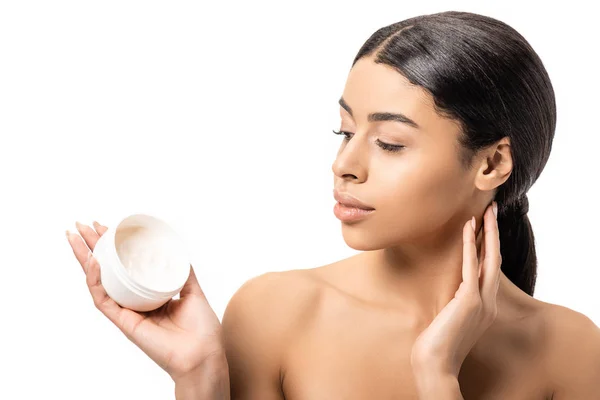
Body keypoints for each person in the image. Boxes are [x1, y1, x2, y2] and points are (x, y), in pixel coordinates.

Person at [66, 10, 600, 400]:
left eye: (390, 143)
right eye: (344, 131)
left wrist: (438, 376)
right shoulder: (277, 311)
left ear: (491, 165)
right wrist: (201, 376)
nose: (344, 164)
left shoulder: (572, 351)